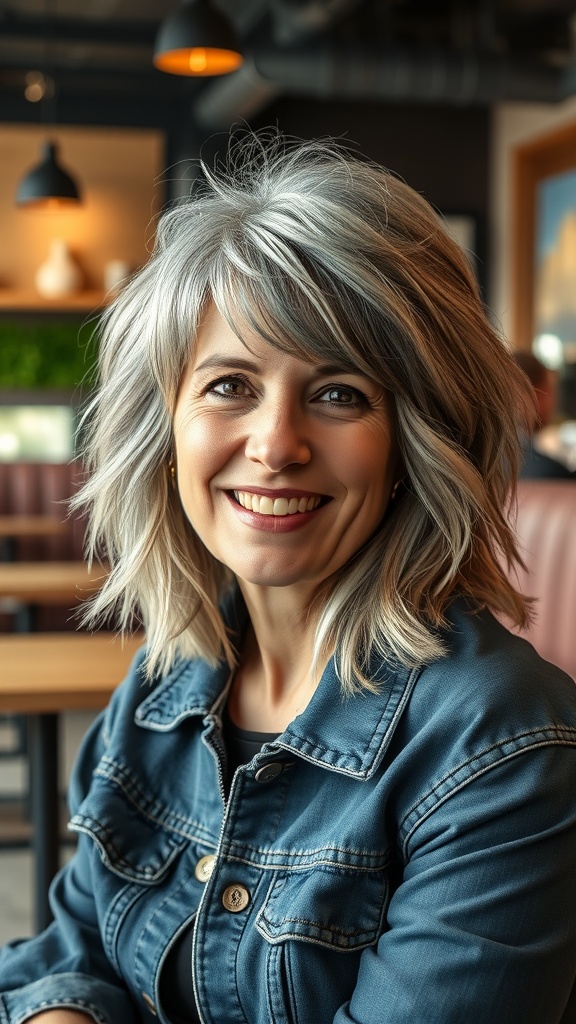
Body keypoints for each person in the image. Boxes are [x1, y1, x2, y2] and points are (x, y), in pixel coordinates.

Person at [1, 131, 576, 1024]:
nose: (274, 444)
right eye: (230, 385)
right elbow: (71, 948)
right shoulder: (165, 680)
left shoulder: (499, 742)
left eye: (339, 392)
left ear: (416, 441)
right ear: (167, 431)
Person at [512, 350, 575, 479]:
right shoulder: (553, 474)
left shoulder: (483, 461)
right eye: (552, 391)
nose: (556, 401)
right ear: (537, 394)